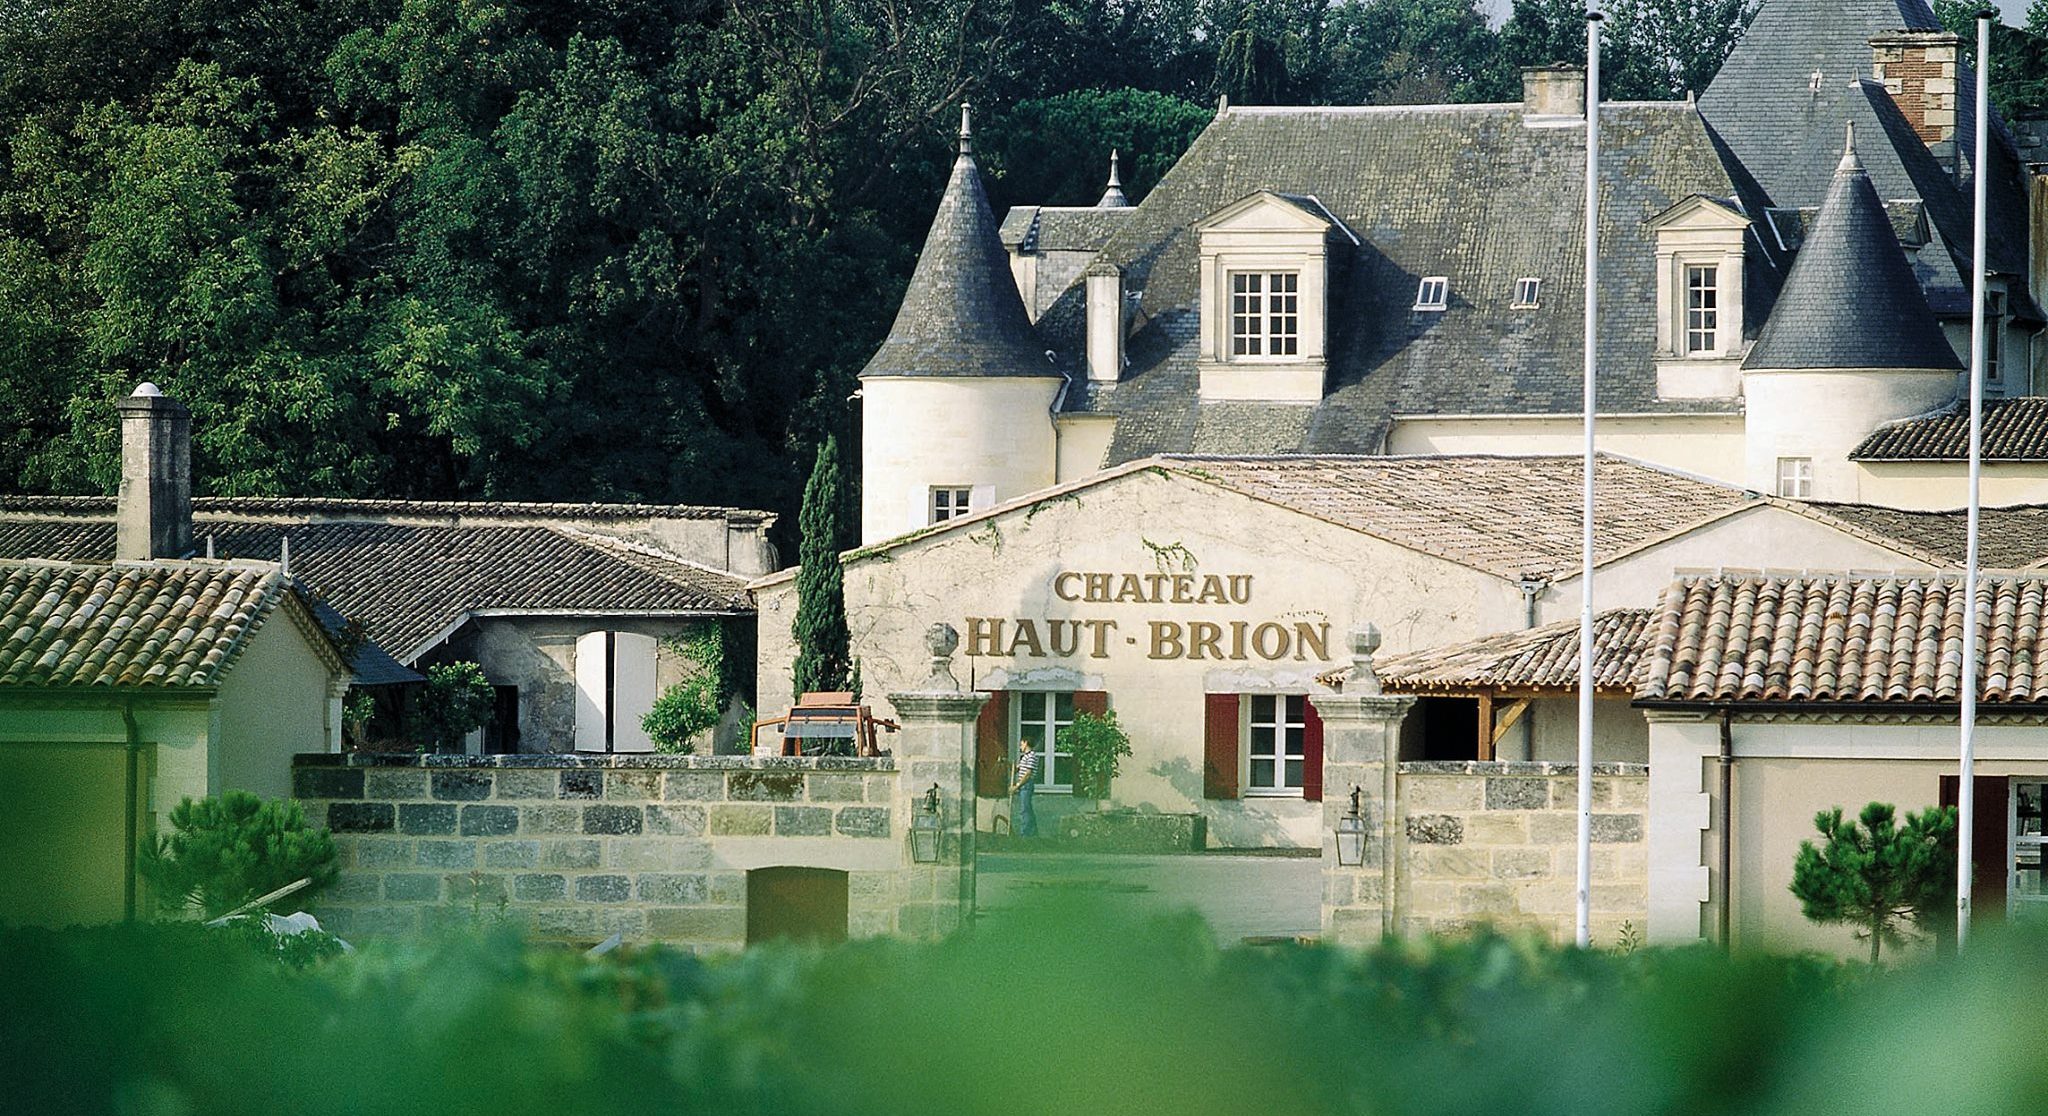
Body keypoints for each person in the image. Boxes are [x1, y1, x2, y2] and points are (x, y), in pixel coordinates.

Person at [1009, 742, 1040, 838]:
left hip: (1026, 785)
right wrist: (1007, 763)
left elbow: (1028, 774)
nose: (1020, 746)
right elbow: (1017, 769)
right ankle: (1033, 832)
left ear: (1026, 743)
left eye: (1021, 744)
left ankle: (1025, 834)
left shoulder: (1031, 756)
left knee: (1025, 810)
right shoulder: (1025, 757)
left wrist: (1017, 786)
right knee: (1027, 809)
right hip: (1023, 786)